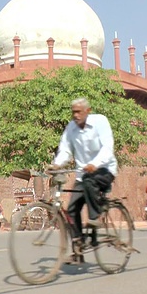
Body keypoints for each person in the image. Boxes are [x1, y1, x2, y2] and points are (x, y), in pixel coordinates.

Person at [48, 97, 117, 264]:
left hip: (104, 170)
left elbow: (108, 147)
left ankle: (96, 217)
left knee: (88, 182)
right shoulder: (71, 128)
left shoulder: (100, 121)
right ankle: (78, 247)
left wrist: (95, 163)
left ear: (88, 111)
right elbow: (65, 150)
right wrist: (56, 165)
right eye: (73, 112)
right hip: (83, 174)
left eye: (79, 111)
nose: (76, 115)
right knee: (71, 209)